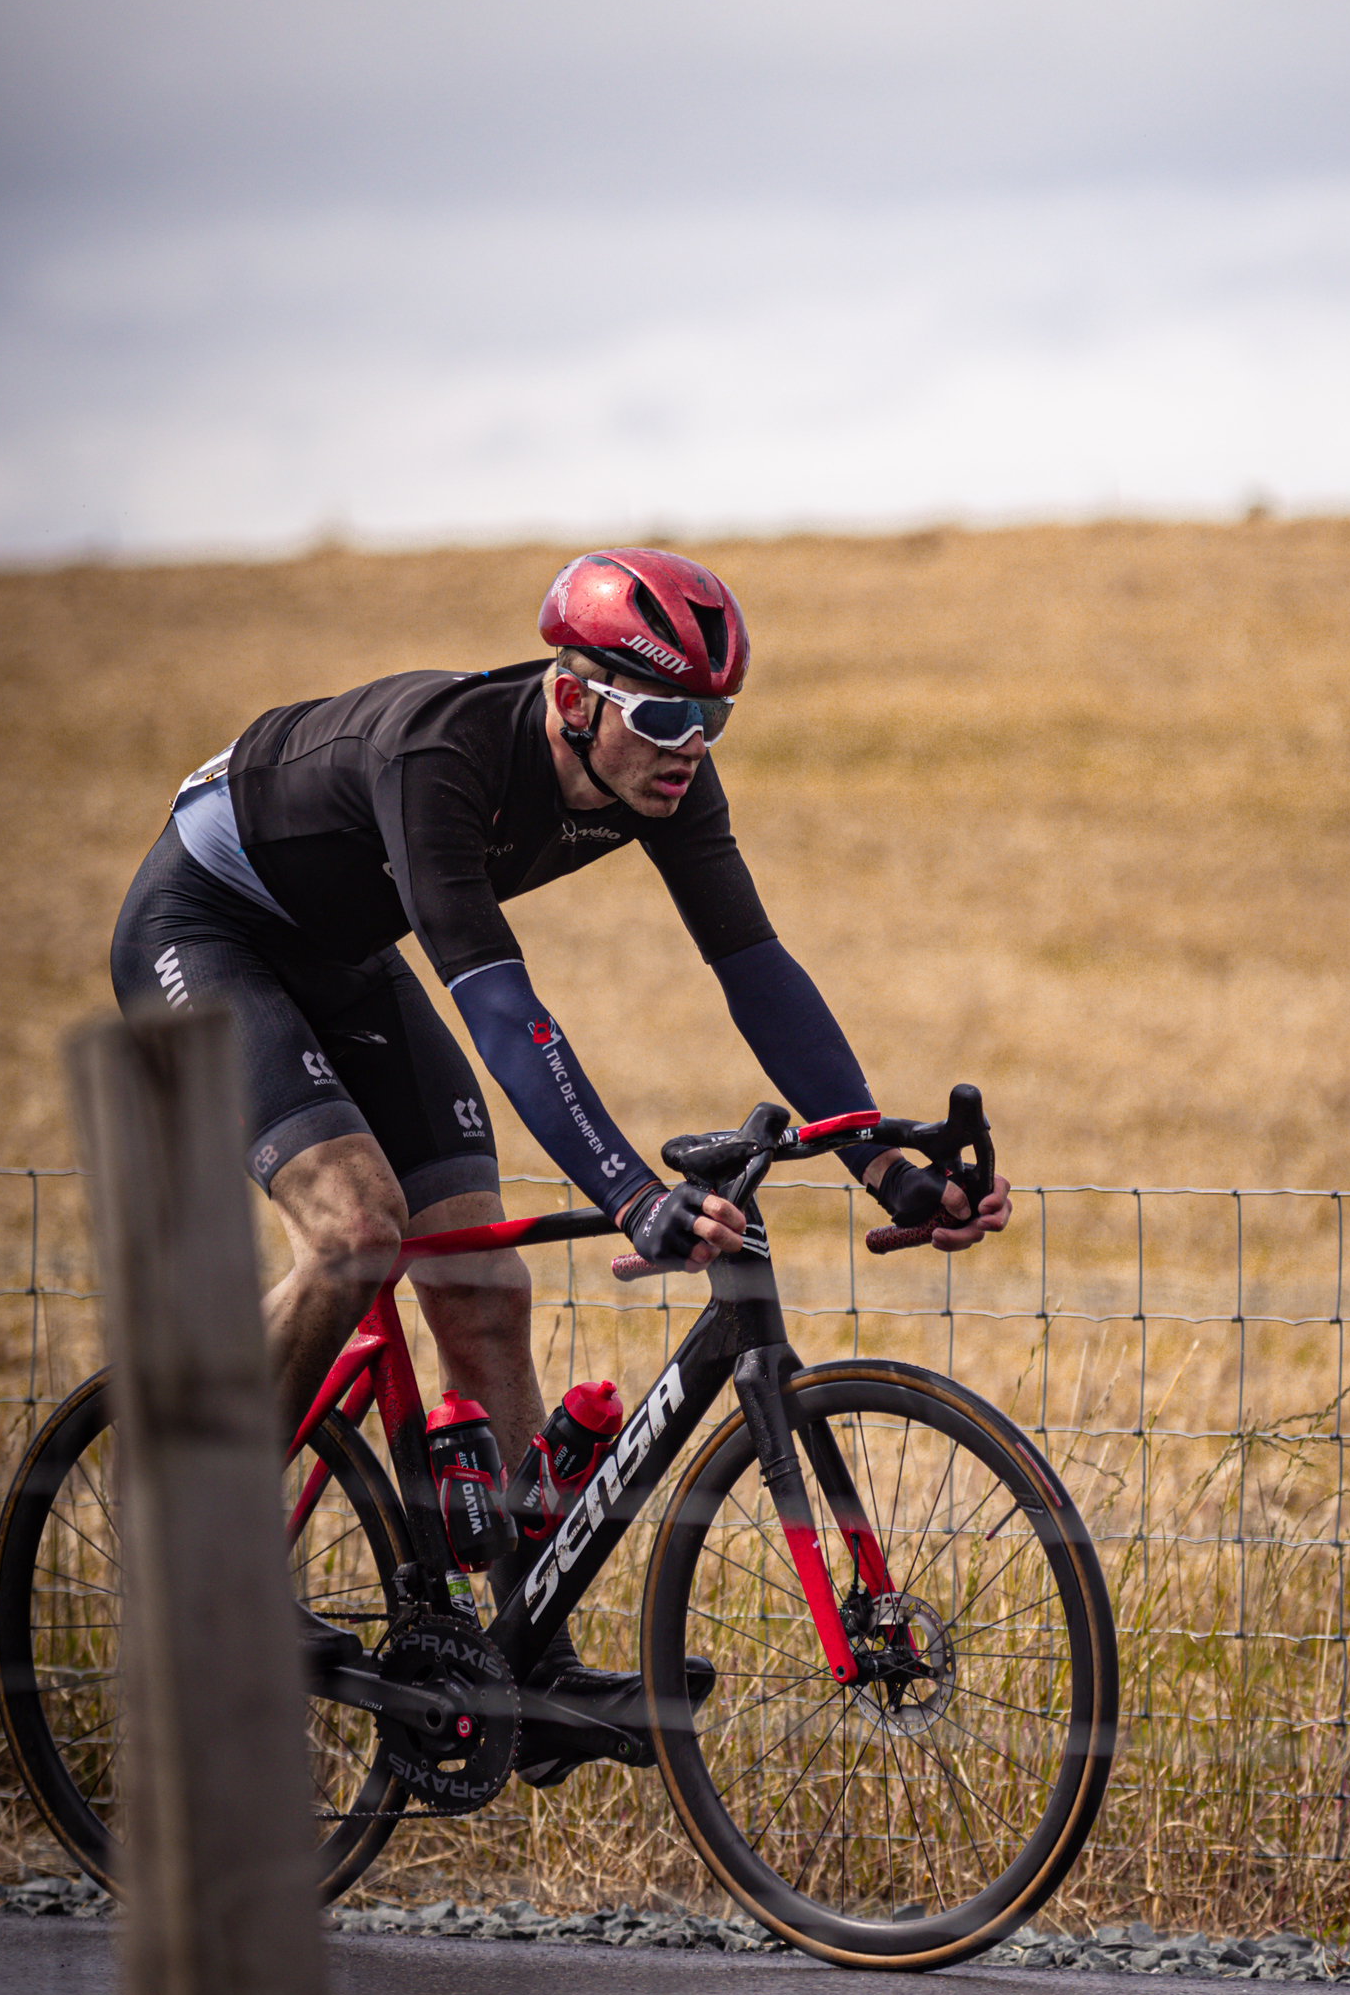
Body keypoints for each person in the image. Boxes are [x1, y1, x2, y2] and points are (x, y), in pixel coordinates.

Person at [110, 545, 1010, 1770]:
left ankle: (519, 1662)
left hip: (346, 954)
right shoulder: (442, 759)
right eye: (663, 713)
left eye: (715, 714)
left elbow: (757, 973)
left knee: (482, 1291)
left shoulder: (668, 779)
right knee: (358, 1231)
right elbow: (499, 1009)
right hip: (206, 930)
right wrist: (632, 1193)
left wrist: (884, 1167)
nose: (690, 743)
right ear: (574, 695)